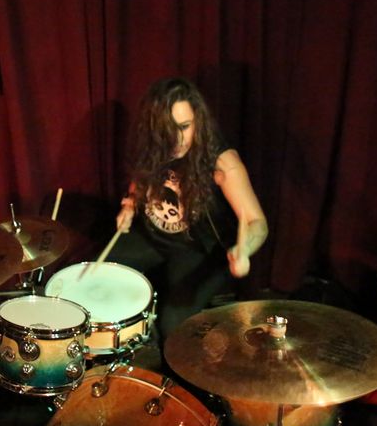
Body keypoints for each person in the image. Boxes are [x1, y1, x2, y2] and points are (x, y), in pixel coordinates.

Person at [107, 77, 268, 339]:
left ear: (198, 122)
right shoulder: (150, 146)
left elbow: (257, 222)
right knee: (95, 278)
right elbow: (140, 181)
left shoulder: (223, 162)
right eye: (167, 129)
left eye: (185, 127)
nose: (177, 139)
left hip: (197, 249)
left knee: (173, 326)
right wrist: (129, 205)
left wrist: (244, 249)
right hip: (153, 236)